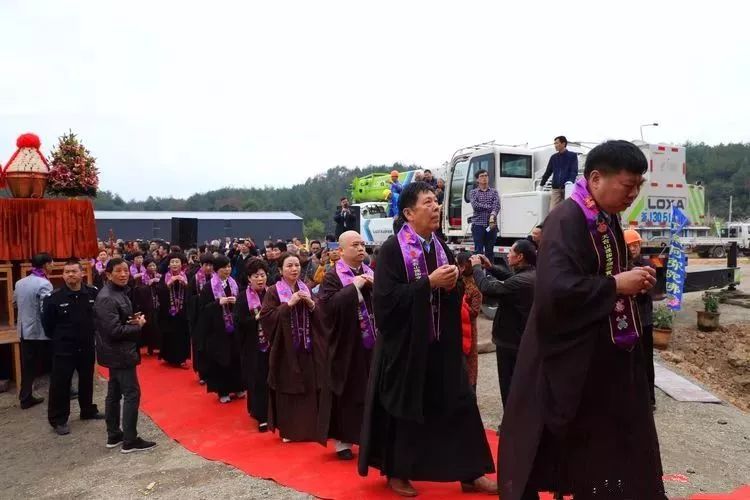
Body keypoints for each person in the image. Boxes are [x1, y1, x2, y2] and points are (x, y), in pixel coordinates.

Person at [499, 140, 663, 499]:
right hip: (569, 354)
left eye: (638, 186)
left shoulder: (606, 217)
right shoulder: (567, 219)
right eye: (627, 185)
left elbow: (604, 270)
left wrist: (632, 277)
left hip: (603, 351)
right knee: (573, 440)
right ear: (595, 178)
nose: (633, 194)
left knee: (609, 442)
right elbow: (556, 290)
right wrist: (615, 285)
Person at [358, 182, 496, 497]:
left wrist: (450, 287)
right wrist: (428, 284)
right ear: (408, 212)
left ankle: (471, 472)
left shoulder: (439, 246)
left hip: (441, 343)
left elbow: (454, 291)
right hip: (406, 346)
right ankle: (397, 472)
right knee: (405, 408)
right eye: (428, 202)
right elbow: (386, 302)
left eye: (436, 201)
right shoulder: (393, 249)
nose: (436, 207)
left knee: (461, 403)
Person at [317, 230, 375, 460]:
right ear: (341, 251)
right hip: (345, 342)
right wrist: (354, 287)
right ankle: (343, 441)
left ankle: (368, 436)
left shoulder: (371, 272)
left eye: (362, 244)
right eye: (355, 245)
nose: (361, 249)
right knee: (347, 390)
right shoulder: (332, 276)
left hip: (371, 340)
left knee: (369, 387)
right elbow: (326, 308)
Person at [94, 258, 156, 453]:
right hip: (119, 352)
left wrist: (132, 319)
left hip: (118, 351)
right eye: (118, 271)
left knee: (114, 392)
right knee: (131, 393)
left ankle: (114, 434)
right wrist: (137, 325)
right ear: (108, 274)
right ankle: (130, 439)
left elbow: (119, 320)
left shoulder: (120, 292)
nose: (123, 274)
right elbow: (114, 330)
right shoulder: (107, 297)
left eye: (126, 271)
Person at [260, 252, 323, 443]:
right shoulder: (273, 291)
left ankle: (310, 428)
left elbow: (319, 314)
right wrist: (288, 305)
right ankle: (289, 430)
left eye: (297, 265)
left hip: (307, 347)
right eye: (289, 266)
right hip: (285, 349)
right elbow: (266, 317)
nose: (294, 269)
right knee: (288, 386)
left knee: (309, 385)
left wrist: (312, 304)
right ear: (280, 270)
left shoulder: (306, 288)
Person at [470, 240, 536, 408]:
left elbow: (487, 288)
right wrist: (490, 267)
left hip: (510, 341)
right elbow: (509, 277)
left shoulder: (520, 281)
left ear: (520, 256)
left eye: (511, 251)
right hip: (521, 338)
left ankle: (510, 424)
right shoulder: (531, 275)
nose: (507, 254)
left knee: (508, 384)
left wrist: (477, 267)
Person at [43, 259, 103, 435]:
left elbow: (97, 318)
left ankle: (87, 410)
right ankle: (58, 419)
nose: (70, 274)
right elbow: (47, 325)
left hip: (86, 345)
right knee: (61, 383)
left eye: (74, 271)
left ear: (82, 273)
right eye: (67, 272)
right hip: (64, 348)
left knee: (86, 379)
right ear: (63, 275)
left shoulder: (92, 293)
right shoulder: (54, 298)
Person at [199, 255, 245, 403]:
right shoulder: (208, 287)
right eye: (224, 267)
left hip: (234, 327)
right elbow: (203, 309)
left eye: (229, 266)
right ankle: (223, 391)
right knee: (222, 360)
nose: (227, 270)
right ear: (217, 269)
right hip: (218, 329)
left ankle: (238, 387)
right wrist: (219, 302)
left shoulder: (234, 284)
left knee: (236, 358)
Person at [13, 252, 54, 409]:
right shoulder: (44, 283)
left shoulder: (20, 282)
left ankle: (25, 397)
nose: (52, 266)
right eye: (51, 263)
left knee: (28, 366)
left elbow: (15, 303)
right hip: (39, 331)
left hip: (24, 329)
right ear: (45, 265)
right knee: (55, 361)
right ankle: (65, 391)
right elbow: (46, 308)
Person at [235, 258, 271, 431]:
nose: (260, 279)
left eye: (262, 275)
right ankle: (261, 416)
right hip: (252, 345)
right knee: (257, 380)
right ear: (249, 278)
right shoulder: (243, 297)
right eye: (256, 276)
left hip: (271, 344)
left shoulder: (272, 293)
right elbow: (239, 322)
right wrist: (256, 318)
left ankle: (270, 411)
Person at [625, 228, 658, 411]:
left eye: (635, 245)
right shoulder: (621, 265)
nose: (633, 249)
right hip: (626, 320)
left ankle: (649, 398)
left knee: (646, 359)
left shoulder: (647, 265)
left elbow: (646, 288)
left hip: (643, 319)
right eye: (629, 246)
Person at [158, 253, 191, 368]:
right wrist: (168, 284)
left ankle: (181, 359)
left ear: (181, 264)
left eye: (177, 262)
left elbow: (191, 293)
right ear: (169, 265)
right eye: (172, 262)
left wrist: (186, 284)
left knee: (182, 334)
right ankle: (169, 357)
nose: (174, 264)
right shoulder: (165, 276)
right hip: (169, 311)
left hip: (182, 311)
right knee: (169, 334)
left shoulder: (186, 276)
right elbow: (160, 291)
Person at [456, 252, 481, 390]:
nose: (462, 268)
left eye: (463, 264)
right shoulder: (456, 279)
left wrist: (461, 303)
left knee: (469, 363)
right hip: (455, 327)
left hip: (469, 330)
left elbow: (474, 312)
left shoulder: (475, 285)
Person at [188, 254, 214, 384]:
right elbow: (190, 299)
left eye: (211, 265)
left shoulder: (217, 279)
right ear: (201, 266)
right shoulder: (195, 279)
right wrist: (201, 298)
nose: (208, 268)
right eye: (206, 265)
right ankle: (202, 373)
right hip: (199, 317)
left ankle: (212, 372)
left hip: (213, 318)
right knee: (200, 346)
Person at [469, 169, 500, 262]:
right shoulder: (473, 192)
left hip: (491, 225)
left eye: (486, 176)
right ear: (477, 180)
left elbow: (497, 205)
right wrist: (490, 207)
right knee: (478, 250)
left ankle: (489, 273)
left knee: (490, 251)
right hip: (478, 225)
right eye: (482, 176)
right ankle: (478, 272)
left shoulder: (494, 192)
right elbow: (476, 206)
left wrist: (493, 214)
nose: (484, 178)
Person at [539, 136, 579, 210]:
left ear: (563, 144)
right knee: (552, 210)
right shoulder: (553, 157)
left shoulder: (572, 156)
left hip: (567, 188)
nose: (555, 145)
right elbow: (548, 172)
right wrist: (541, 184)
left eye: (557, 143)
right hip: (556, 189)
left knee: (567, 210)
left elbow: (574, 171)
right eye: (554, 143)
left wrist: (570, 181)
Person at [132, 260, 162, 356]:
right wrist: (148, 284)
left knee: (158, 327)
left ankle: (158, 347)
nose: (152, 267)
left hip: (158, 305)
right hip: (147, 307)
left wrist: (158, 283)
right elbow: (138, 290)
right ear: (146, 267)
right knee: (149, 327)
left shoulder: (159, 276)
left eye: (154, 265)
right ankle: (149, 348)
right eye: (150, 266)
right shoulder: (141, 277)